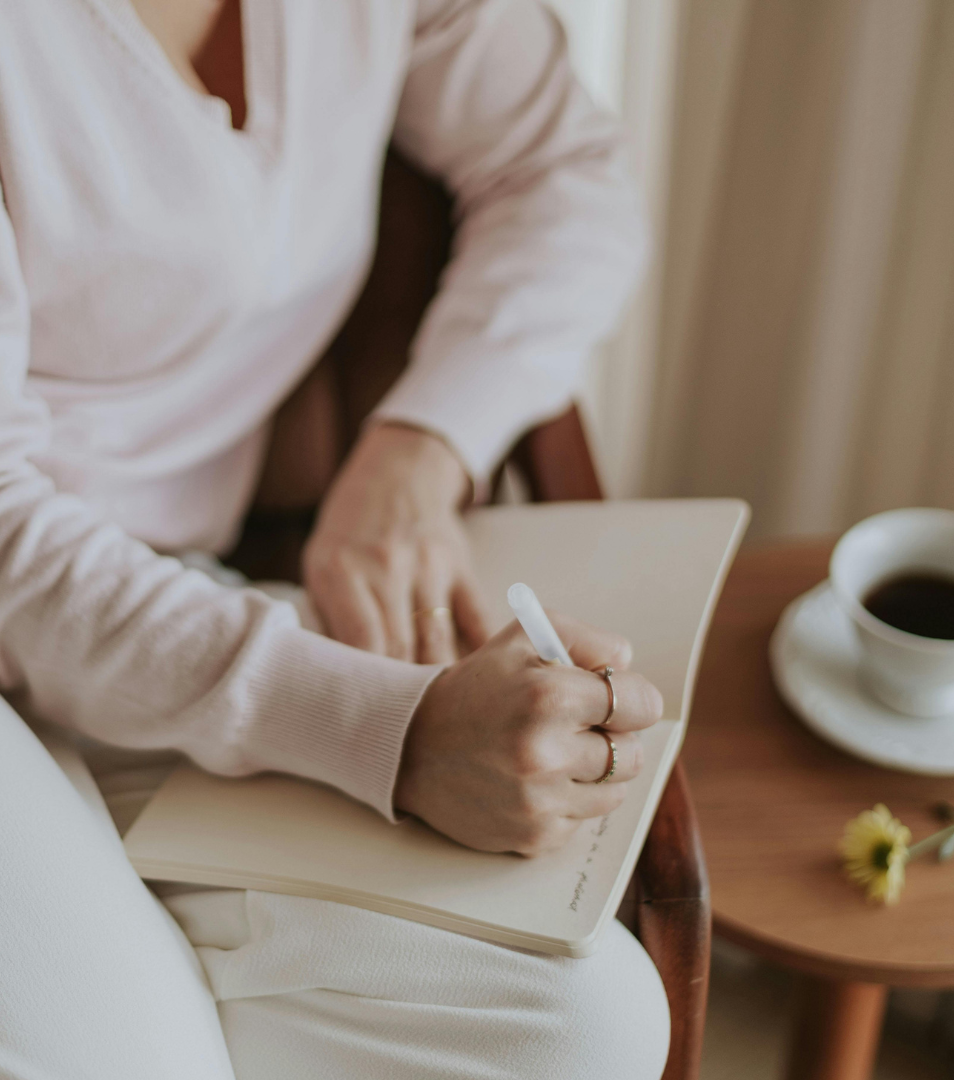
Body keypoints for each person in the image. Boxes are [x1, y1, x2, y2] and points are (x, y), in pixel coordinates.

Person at [0, 1, 671, 1077]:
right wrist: (393, 739)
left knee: (586, 1028)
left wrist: (419, 448)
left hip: (168, 602)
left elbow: (565, 169)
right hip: (23, 626)